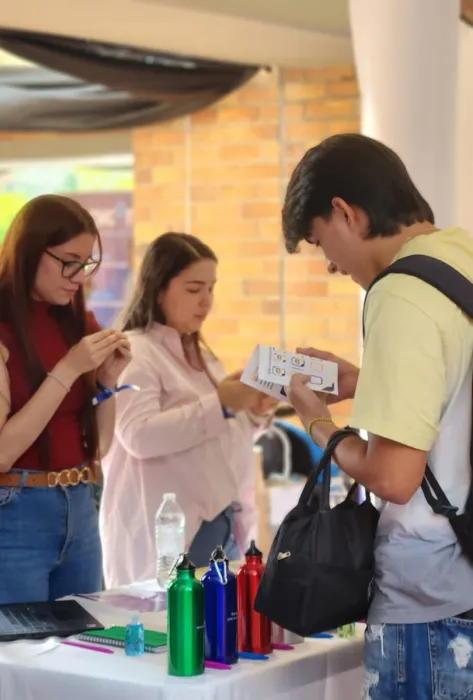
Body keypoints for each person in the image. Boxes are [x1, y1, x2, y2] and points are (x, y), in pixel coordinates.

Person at [282, 134, 473, 699]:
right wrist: (368, 384)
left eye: (321, 242)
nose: (331, 265)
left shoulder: (399, 293)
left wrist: (317, 421)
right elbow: (453, 390)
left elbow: (394, 476)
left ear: (345, 212)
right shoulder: (458, 257)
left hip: (428, 597)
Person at [99, 232, 277, 587]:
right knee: (175, 633)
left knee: (214, 632)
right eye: (194, 289)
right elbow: (138, 435)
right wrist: (223, 404)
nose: (206, 301)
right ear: (159, 288)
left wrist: (252, 411)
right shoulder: (135, 353)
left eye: (211, 288)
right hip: (168, 531)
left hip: (219, 521)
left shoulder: (203, 356)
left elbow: (215, 434)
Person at [0, 194, 131, 604]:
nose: (79, 276)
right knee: (20, 655)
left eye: (88, 262)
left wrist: (107, 383)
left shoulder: (77, 318)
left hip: (81, 500)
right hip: (17, 508)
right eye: (69, 261)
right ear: (30, 250)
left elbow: (101, 445)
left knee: (84, 648)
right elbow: (2, 452)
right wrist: (70, 369)